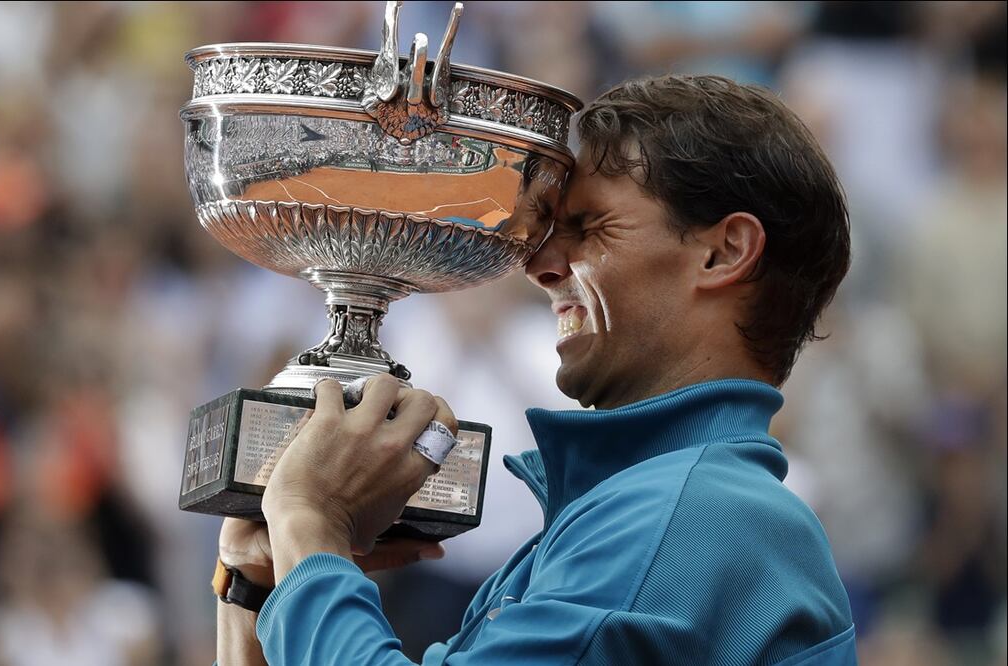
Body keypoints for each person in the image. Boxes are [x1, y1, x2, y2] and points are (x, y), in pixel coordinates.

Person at [213, 74, 856, 665]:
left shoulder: (685, 517)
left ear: (723, 252)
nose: (540, 262)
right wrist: (256, 586)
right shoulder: (639, 512)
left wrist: (311, 520)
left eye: (590, 227)